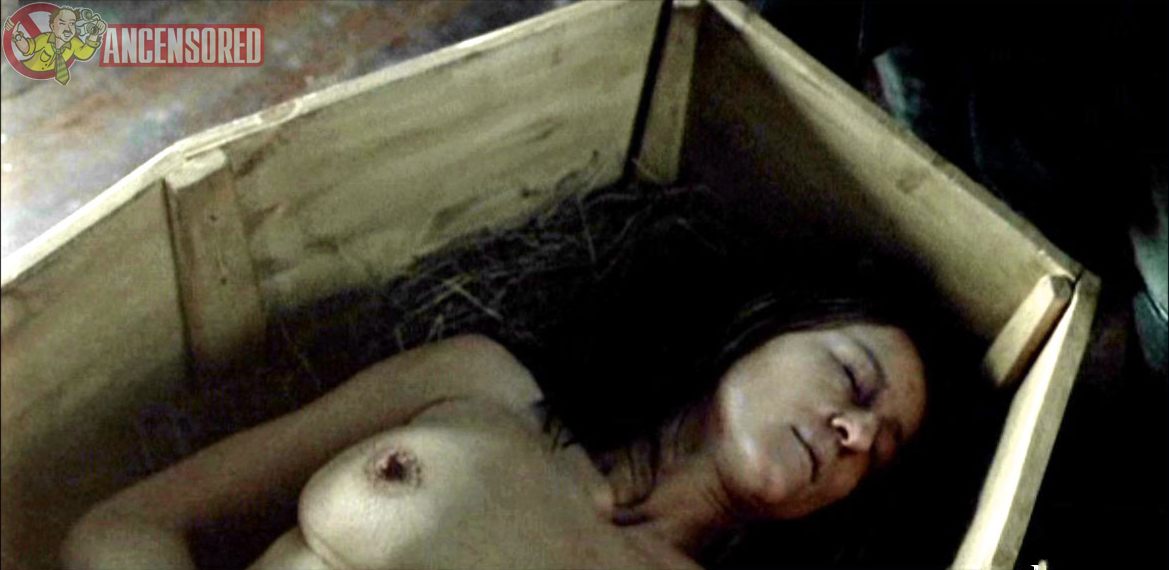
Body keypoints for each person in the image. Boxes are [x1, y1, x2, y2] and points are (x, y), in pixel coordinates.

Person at [61, 204, 931, 570]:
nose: (854, 433)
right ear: (765, 323)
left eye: (879, 450)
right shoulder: (477, 389)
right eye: (853, 379)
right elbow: (126, 526)